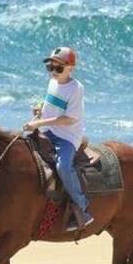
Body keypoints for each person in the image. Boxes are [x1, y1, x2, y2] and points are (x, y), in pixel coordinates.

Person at [23, 47, 94, 232]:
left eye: (58, 68)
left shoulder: (76, 88)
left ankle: (83, 208)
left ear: (70, 68)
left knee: (63, 166)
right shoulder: (52, 81)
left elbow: (70, 118)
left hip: (66, 137)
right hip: (48, 130)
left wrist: (38, 124)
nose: (53, 71)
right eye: (50, 67)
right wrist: (39, 108)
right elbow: (49, 104)